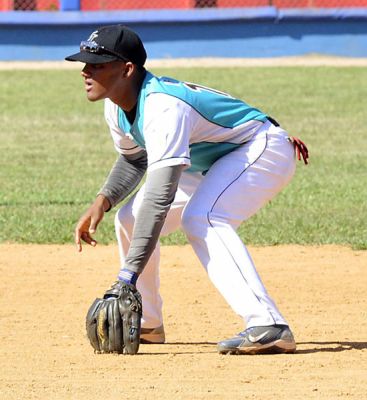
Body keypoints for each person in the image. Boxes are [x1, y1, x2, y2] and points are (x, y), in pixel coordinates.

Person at [65, 24, 308, 355]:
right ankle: (147, 322)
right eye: (85, 63)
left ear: (127, 69)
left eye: (97, 64)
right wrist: (102, 200)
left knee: (203, 217)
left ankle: (268, 323)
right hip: (212, 161)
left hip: (260, 148)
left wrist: (126, 277)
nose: (85, 71)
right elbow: (135, 160)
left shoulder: (164, 107)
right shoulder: (117, 103)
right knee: (129, 218)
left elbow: (160, 194)